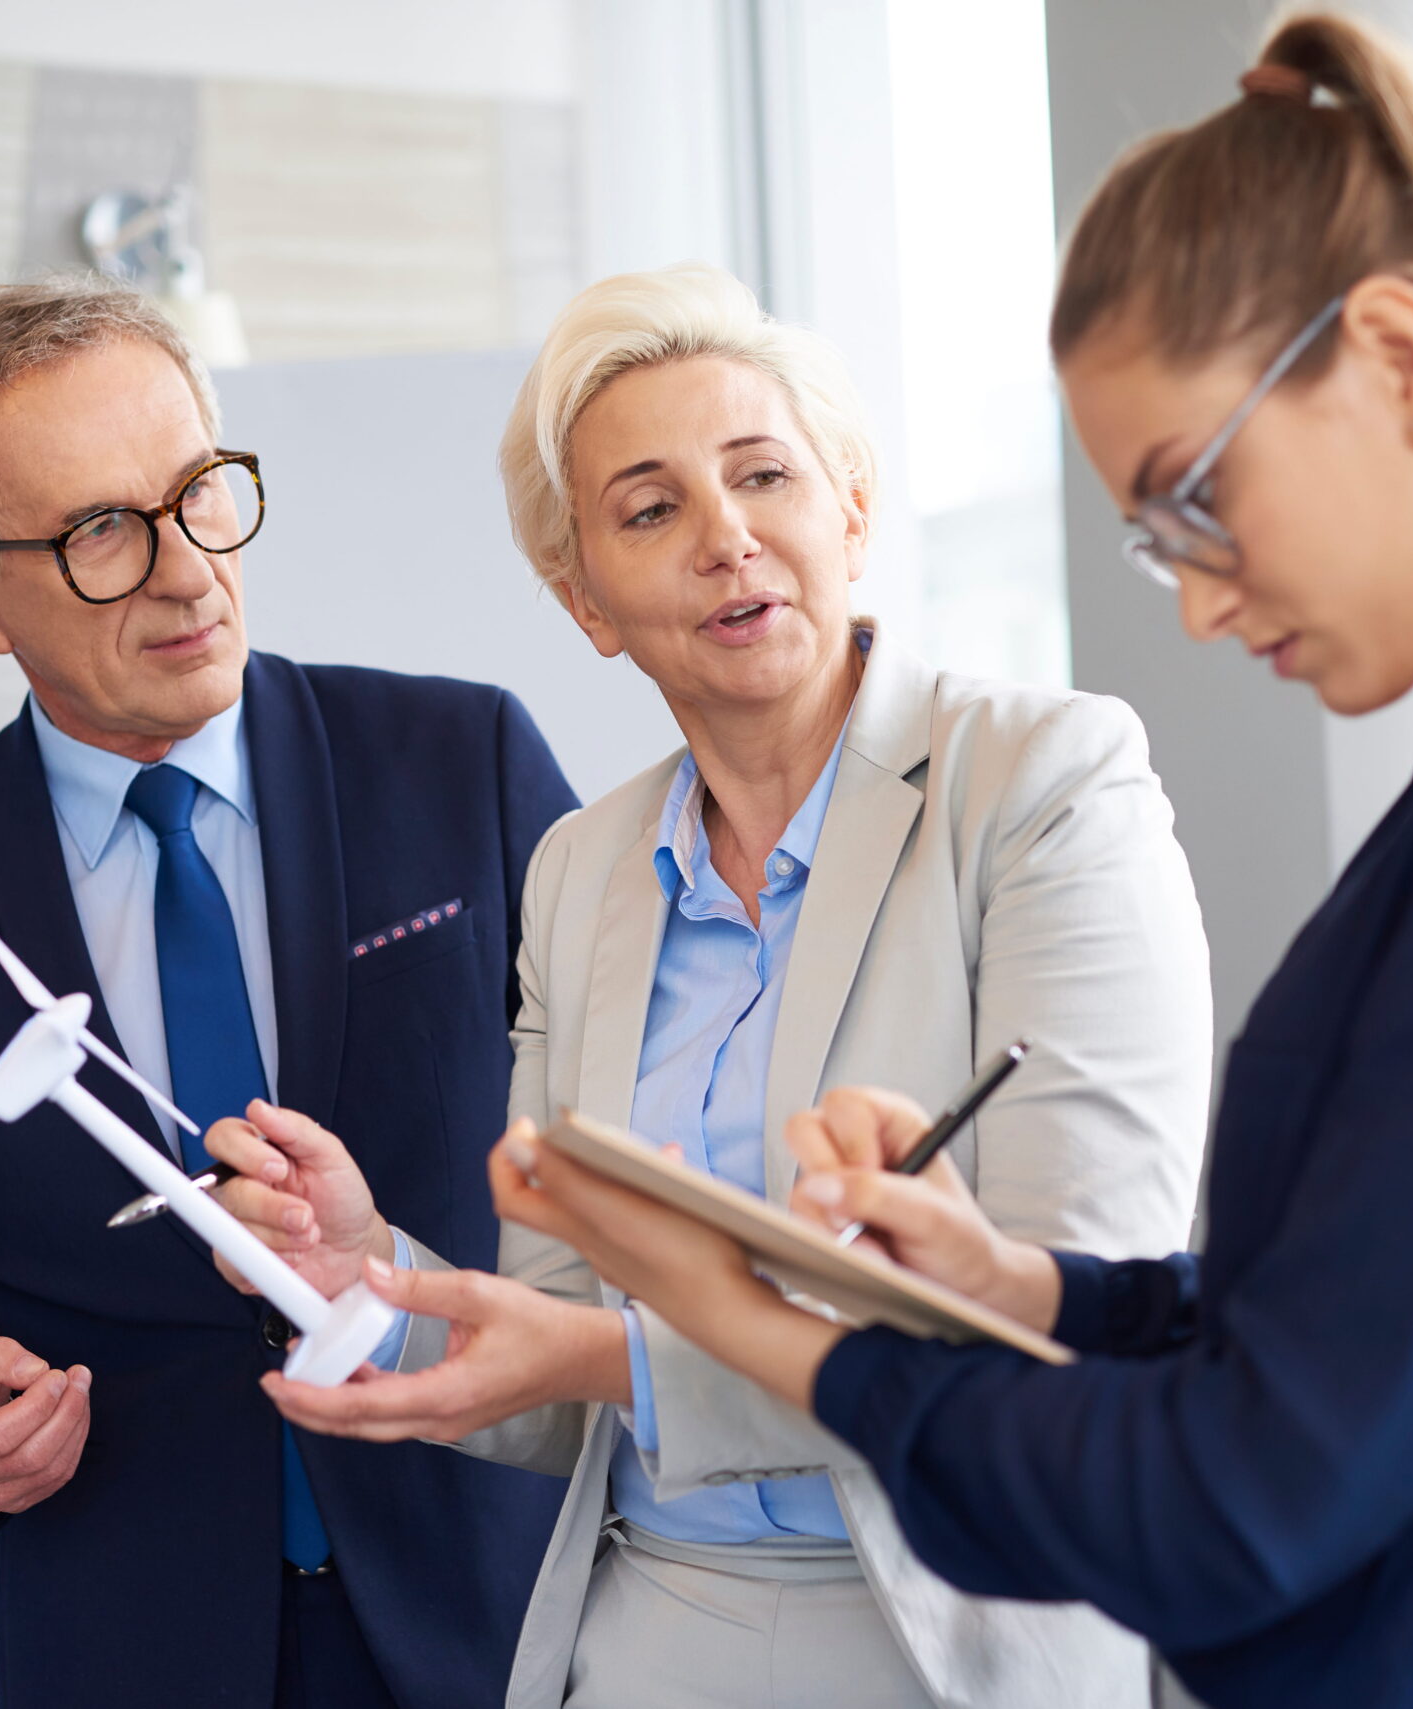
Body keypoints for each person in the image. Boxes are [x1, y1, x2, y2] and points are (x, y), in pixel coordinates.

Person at [485, 17, 1413, 1709]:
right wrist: (1017, 1287)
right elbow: (1357, 1330)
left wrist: (756, 1314)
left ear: (1400, 360)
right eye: (1159, 548)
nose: (1204, 603)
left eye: (1194, 502)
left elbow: (1241, 1493)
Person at [202, 264, 1214, 1708]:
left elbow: (1062, 1312)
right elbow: (553, 1365)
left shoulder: (1043, 785)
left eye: (763, 475)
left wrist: (631, 1357)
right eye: (651, 508)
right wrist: (386, 1279)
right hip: (646, 1636)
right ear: (585, 600)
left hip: (958, 1630)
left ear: (850, 509)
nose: (727, 537)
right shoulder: (579, 871)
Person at [0, 275, 579, 1709]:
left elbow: (624, 1162)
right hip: (129, 1634)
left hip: (494, 1609)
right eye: (101, 529)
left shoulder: (459, 761)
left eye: (202, 492)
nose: (185, 568)